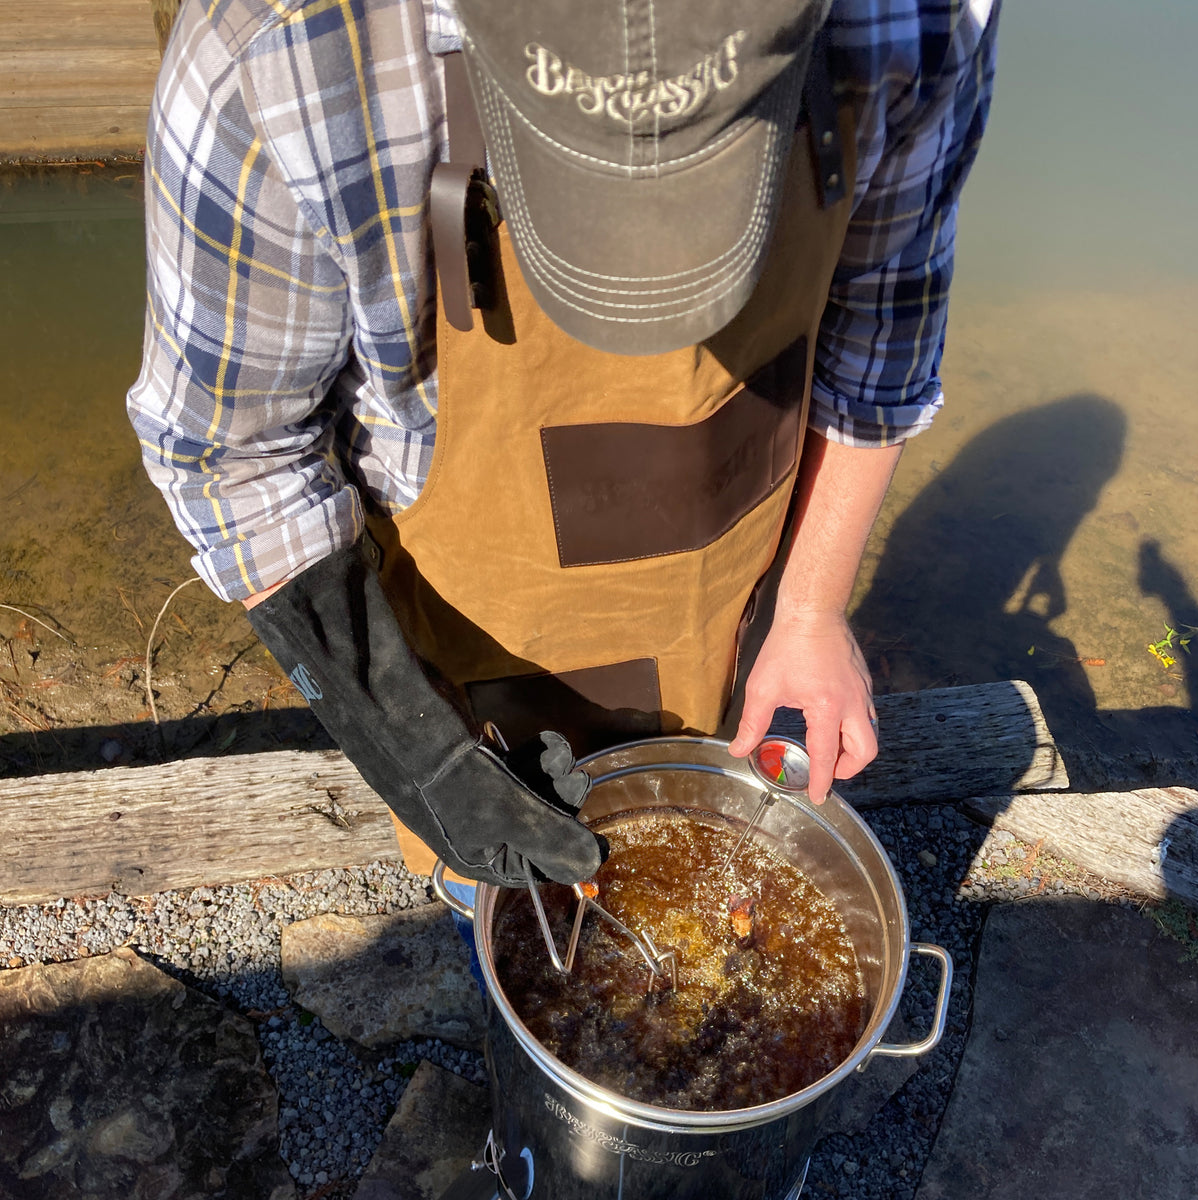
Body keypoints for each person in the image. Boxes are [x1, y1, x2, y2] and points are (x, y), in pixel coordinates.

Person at [127, 0, 999, 890]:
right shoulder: (281, 53)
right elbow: (232, 453)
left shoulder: (918, 14)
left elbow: (880, 346)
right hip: (474, 648)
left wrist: (810, 609)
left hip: (737, 601)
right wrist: (417, 754)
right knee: (515, 916)